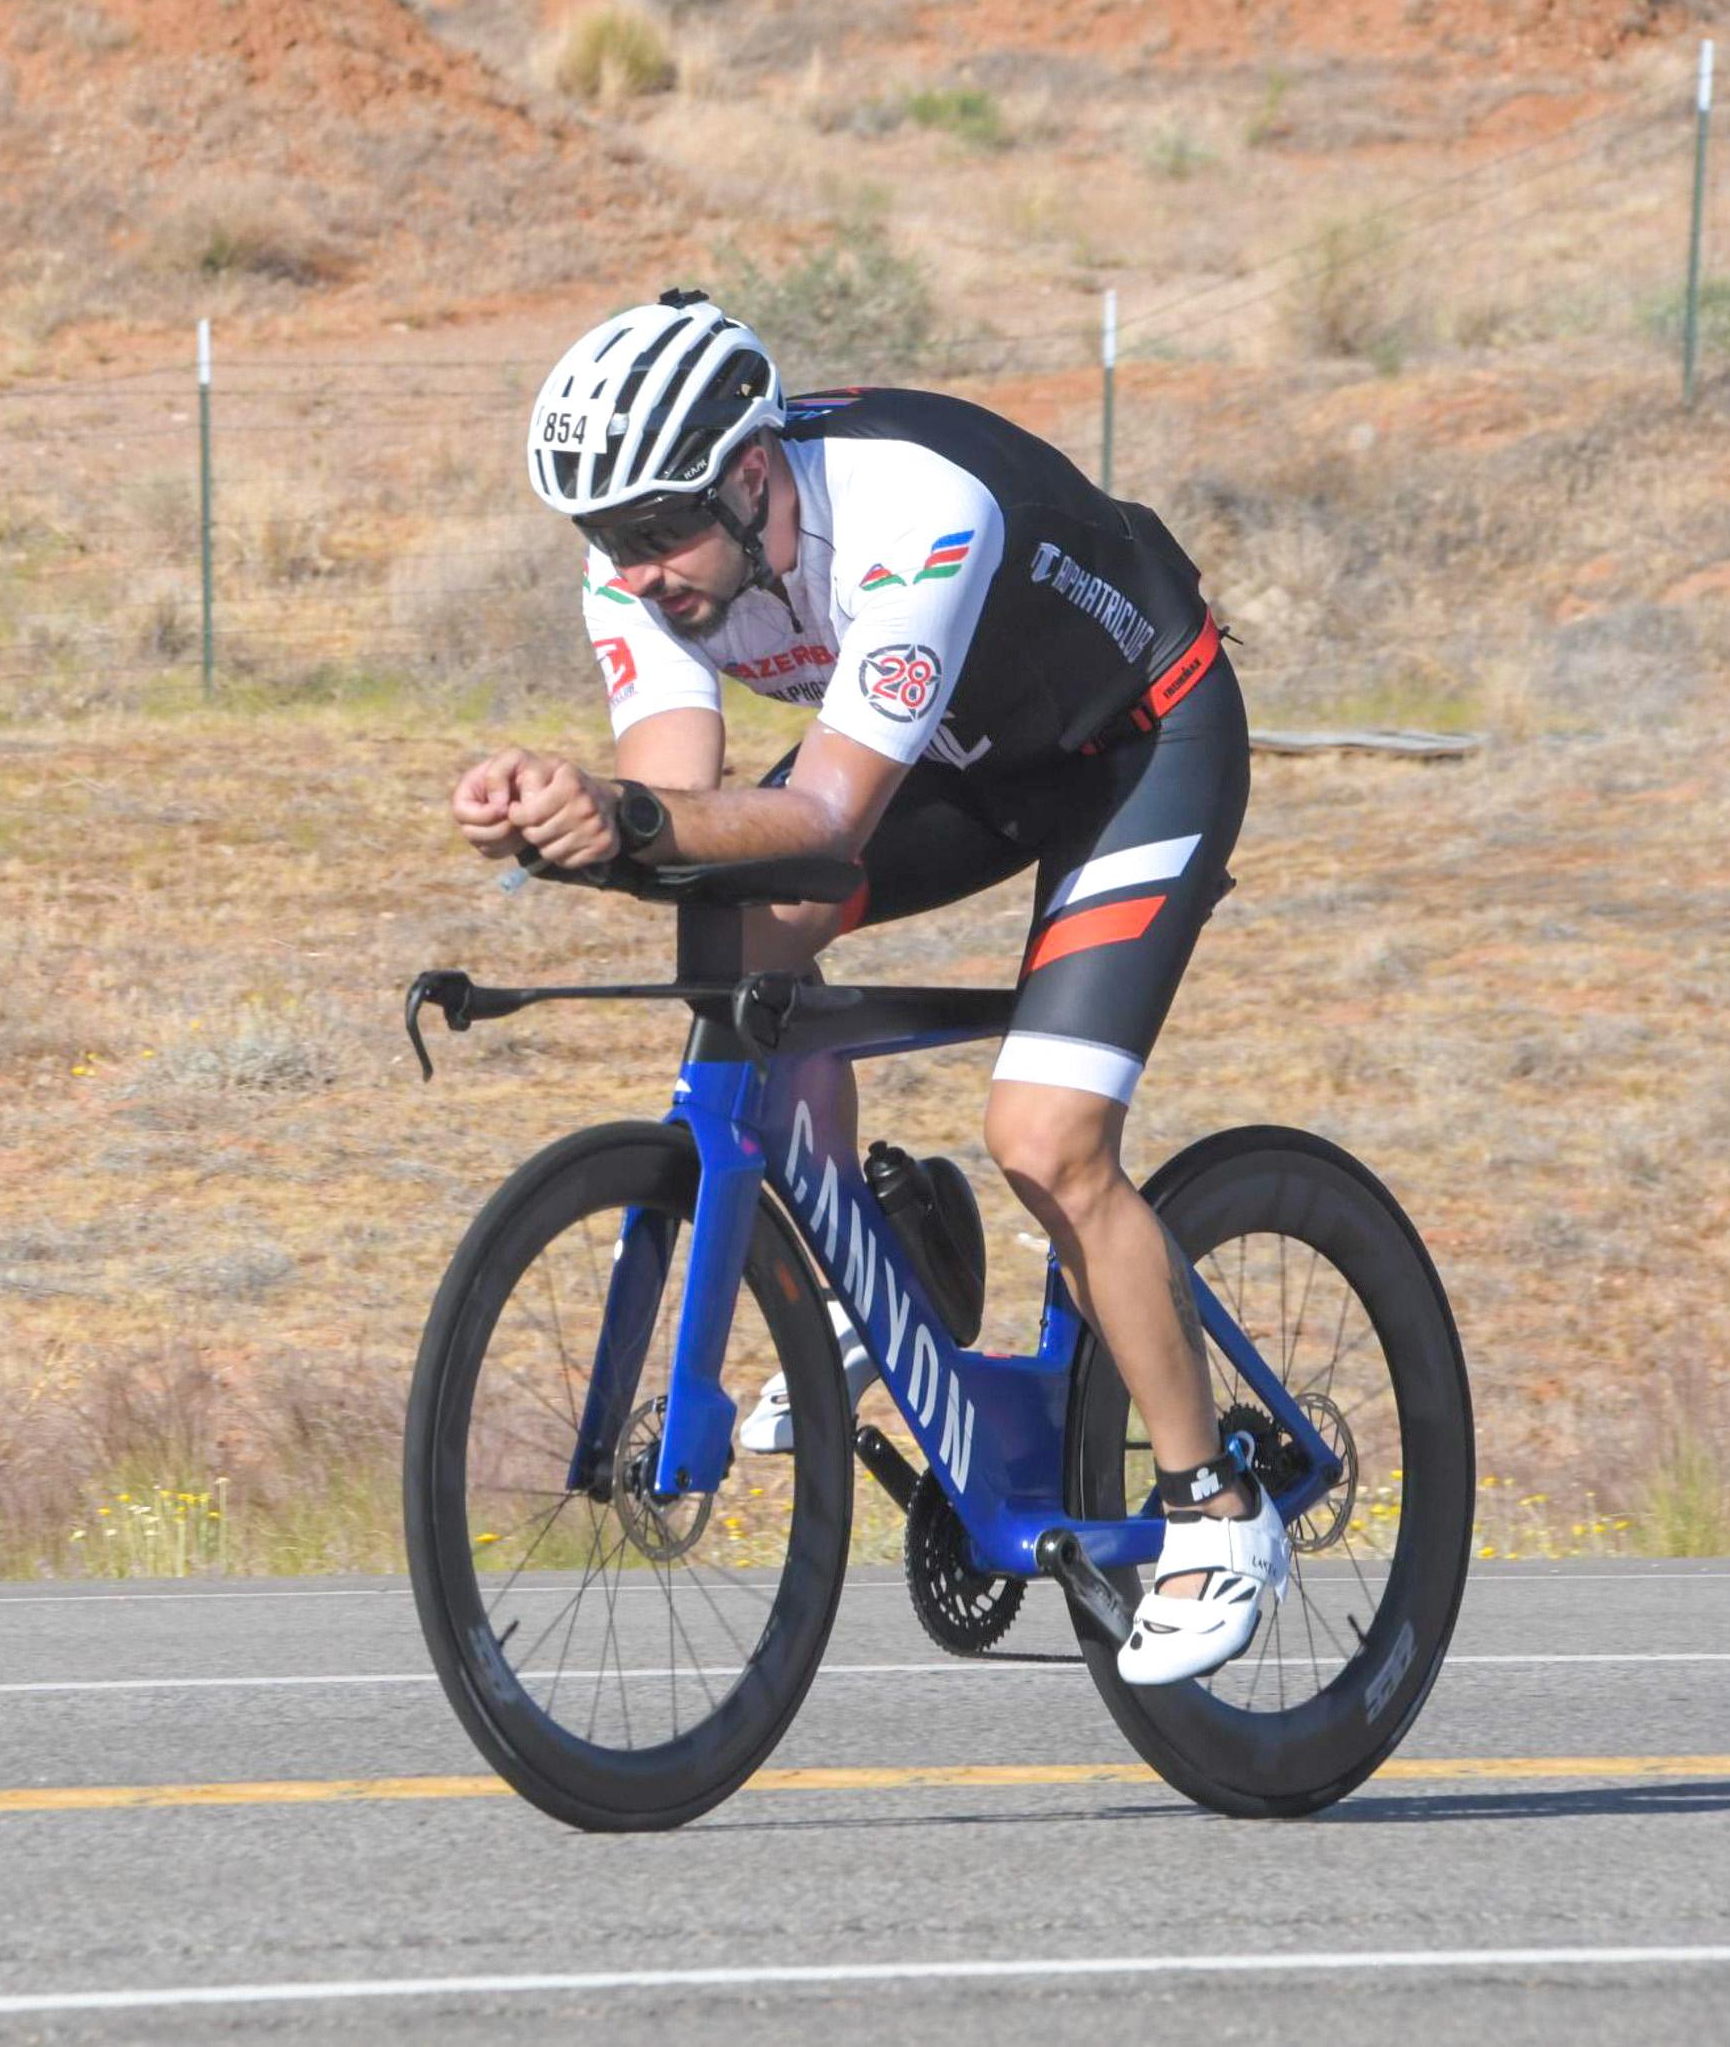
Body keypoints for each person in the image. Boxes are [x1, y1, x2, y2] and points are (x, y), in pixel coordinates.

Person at [450, 292, 1279, 1685]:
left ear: (753, 473)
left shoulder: (915, 510)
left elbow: (827, 813)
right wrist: (571, 814)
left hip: (1139, 742)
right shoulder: (642, 564)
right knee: (734, 940)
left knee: (1046, 1138)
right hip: (961, 748)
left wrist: (631, 823)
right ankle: (865, 1248)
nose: (638, 573)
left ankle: (1216, 1507)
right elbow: (678, 798)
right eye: (608, 543)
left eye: (660, 534)